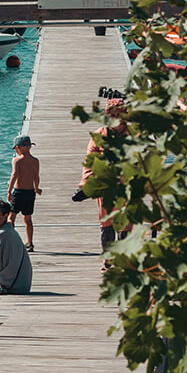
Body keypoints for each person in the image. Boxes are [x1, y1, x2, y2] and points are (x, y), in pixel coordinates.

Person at [81, 98, 131, 256]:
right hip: (106, 186)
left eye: (119, 114)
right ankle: (108, 258)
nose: (116, 118)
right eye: (113, 114)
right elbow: (89, 161)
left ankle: (124, 258)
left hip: (128, 186)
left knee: (127, 223)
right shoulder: (99, 135)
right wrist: (86, 182)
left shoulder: (134, 134)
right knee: (106, 223)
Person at [7, 135, 41, 251]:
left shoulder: (17, 160)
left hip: (18, 192)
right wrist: (36, 188)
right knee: (28, 219)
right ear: (30, 147)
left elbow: (14, 175)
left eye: (16, 148)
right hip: (30, 193)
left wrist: (9, 191)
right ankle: (30, 243)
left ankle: (10, 241)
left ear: (19, 148)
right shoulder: (35, 161)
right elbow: (36, 177)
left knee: (11, 217)